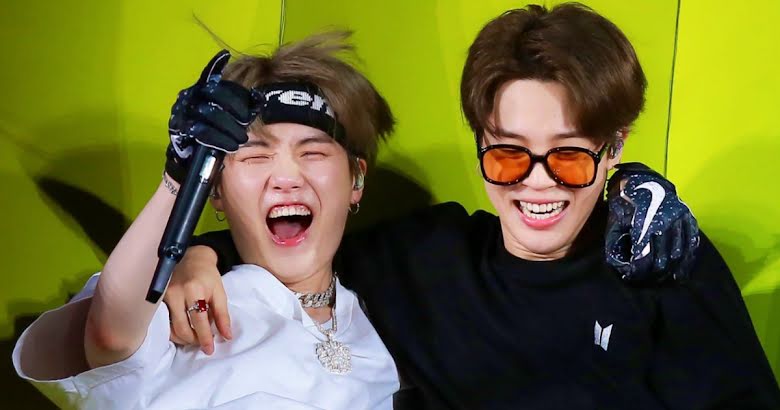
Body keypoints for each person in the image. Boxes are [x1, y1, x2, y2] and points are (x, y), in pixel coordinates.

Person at [169, 3, 780, 409]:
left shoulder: (658, 262)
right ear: (482, 144)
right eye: (509, 154)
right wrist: (196, 257)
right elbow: (299, 248)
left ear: (613, 147)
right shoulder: (425, 259)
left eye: (569, 155)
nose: (537, 183)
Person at [13, 32, 401, 409]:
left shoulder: (387, 321)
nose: (286, 178)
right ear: (216, 190)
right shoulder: (183, 300)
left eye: (313, 153)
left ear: (356, 179)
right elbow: (111, 336)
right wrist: (179, 178)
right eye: (255, 156)